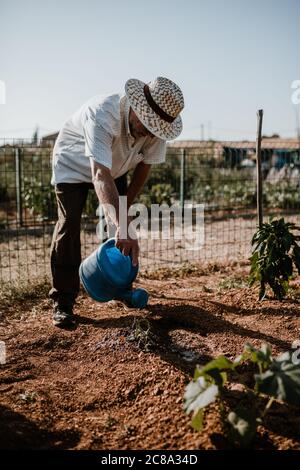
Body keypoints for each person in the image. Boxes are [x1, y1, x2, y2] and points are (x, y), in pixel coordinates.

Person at [49, 76, 184, 327]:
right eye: (147, 125)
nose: (150, 133)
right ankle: (63, 301)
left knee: (123, 227)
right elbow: (99, 174)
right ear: (136, 106)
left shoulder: (157, 127)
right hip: (73, 164)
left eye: (156, 130)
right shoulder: (103, 114)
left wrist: (123, 215)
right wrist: (121, 221)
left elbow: (144, 168)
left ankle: (119, 288)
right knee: (69, 226)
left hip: (115, 169)